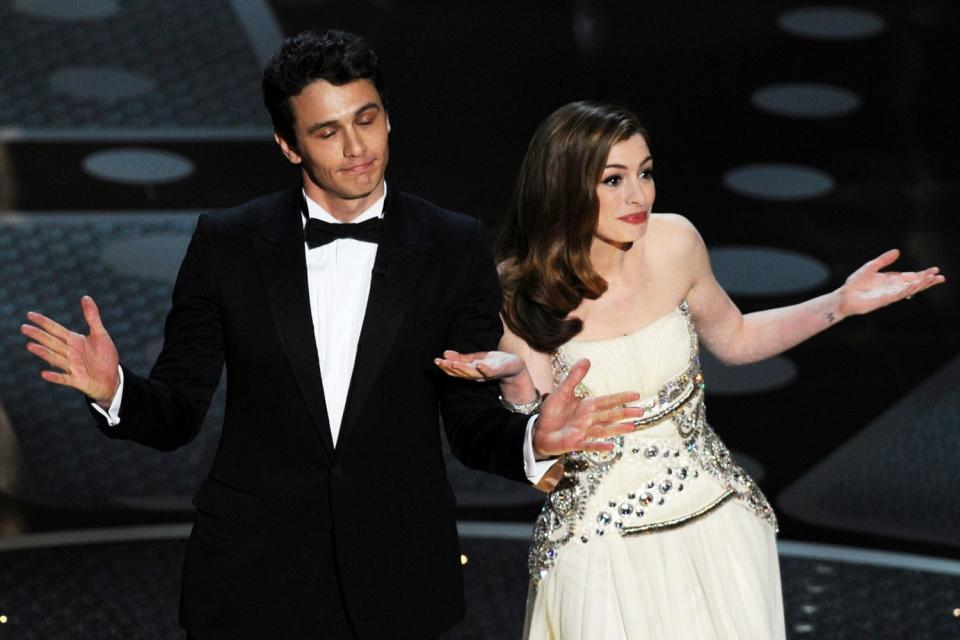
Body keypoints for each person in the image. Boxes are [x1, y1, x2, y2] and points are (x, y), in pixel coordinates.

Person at [19, 34, 643, 640]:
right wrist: (115, 389)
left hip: (399, 577)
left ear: (388, 119)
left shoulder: (453, 245)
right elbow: (180, 411)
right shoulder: (228, 242)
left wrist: (531, 436)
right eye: (326, 132)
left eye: (366, 120)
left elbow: (470, 423)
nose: (356, 148)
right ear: (288, 146)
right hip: (252, 577)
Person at [435, 101, 945, 639]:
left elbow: (737, 338)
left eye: (645, 172)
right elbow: (551, 473)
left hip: (719, 528)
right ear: (562, 186)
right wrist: (516, 383)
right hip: (604, 556)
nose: (638, 196)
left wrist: (840, 303)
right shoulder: (523, 298)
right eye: (613, 179)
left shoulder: (674, 240)